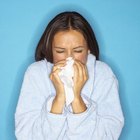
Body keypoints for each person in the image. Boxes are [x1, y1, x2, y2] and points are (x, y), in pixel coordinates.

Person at [15, 11, 124, 140]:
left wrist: (76, 97)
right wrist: (59, 97)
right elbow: (26, 136)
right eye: (60, 51)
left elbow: (108, 136)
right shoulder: (35, 73)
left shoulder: (103, 74)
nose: (69, 58)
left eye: (78, 51)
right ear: (50, 48)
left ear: (88, 48)